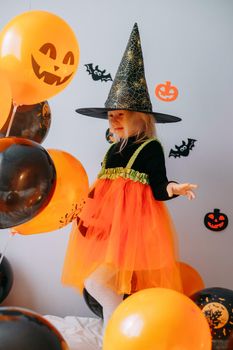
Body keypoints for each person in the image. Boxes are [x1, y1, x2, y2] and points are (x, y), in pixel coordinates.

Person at [62, 23, 197, 331]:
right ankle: (119, 327)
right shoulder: (112, 151)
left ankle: (117, 332)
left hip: (133, 230)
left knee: (104, 283)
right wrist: (78, 211)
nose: (114, 122)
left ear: (140, 116)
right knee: (98, 283)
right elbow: (100, 189)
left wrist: (175, 187)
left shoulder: (150, 147)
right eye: (111, 117)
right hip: (107, 228)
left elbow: (159, 187)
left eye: (120, 115)